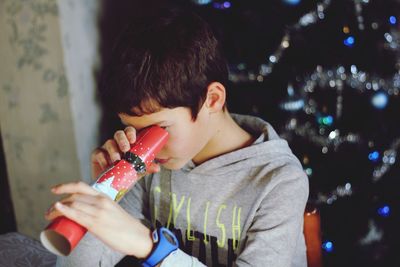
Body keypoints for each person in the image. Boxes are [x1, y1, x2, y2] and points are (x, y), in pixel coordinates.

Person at [45, 5, 309, 267]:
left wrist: (150, 247)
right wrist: (106, 195)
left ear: (213, 100)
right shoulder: (149, 166)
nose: (141, 146)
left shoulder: (279, 181)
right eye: (131, 128)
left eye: (158, 130)